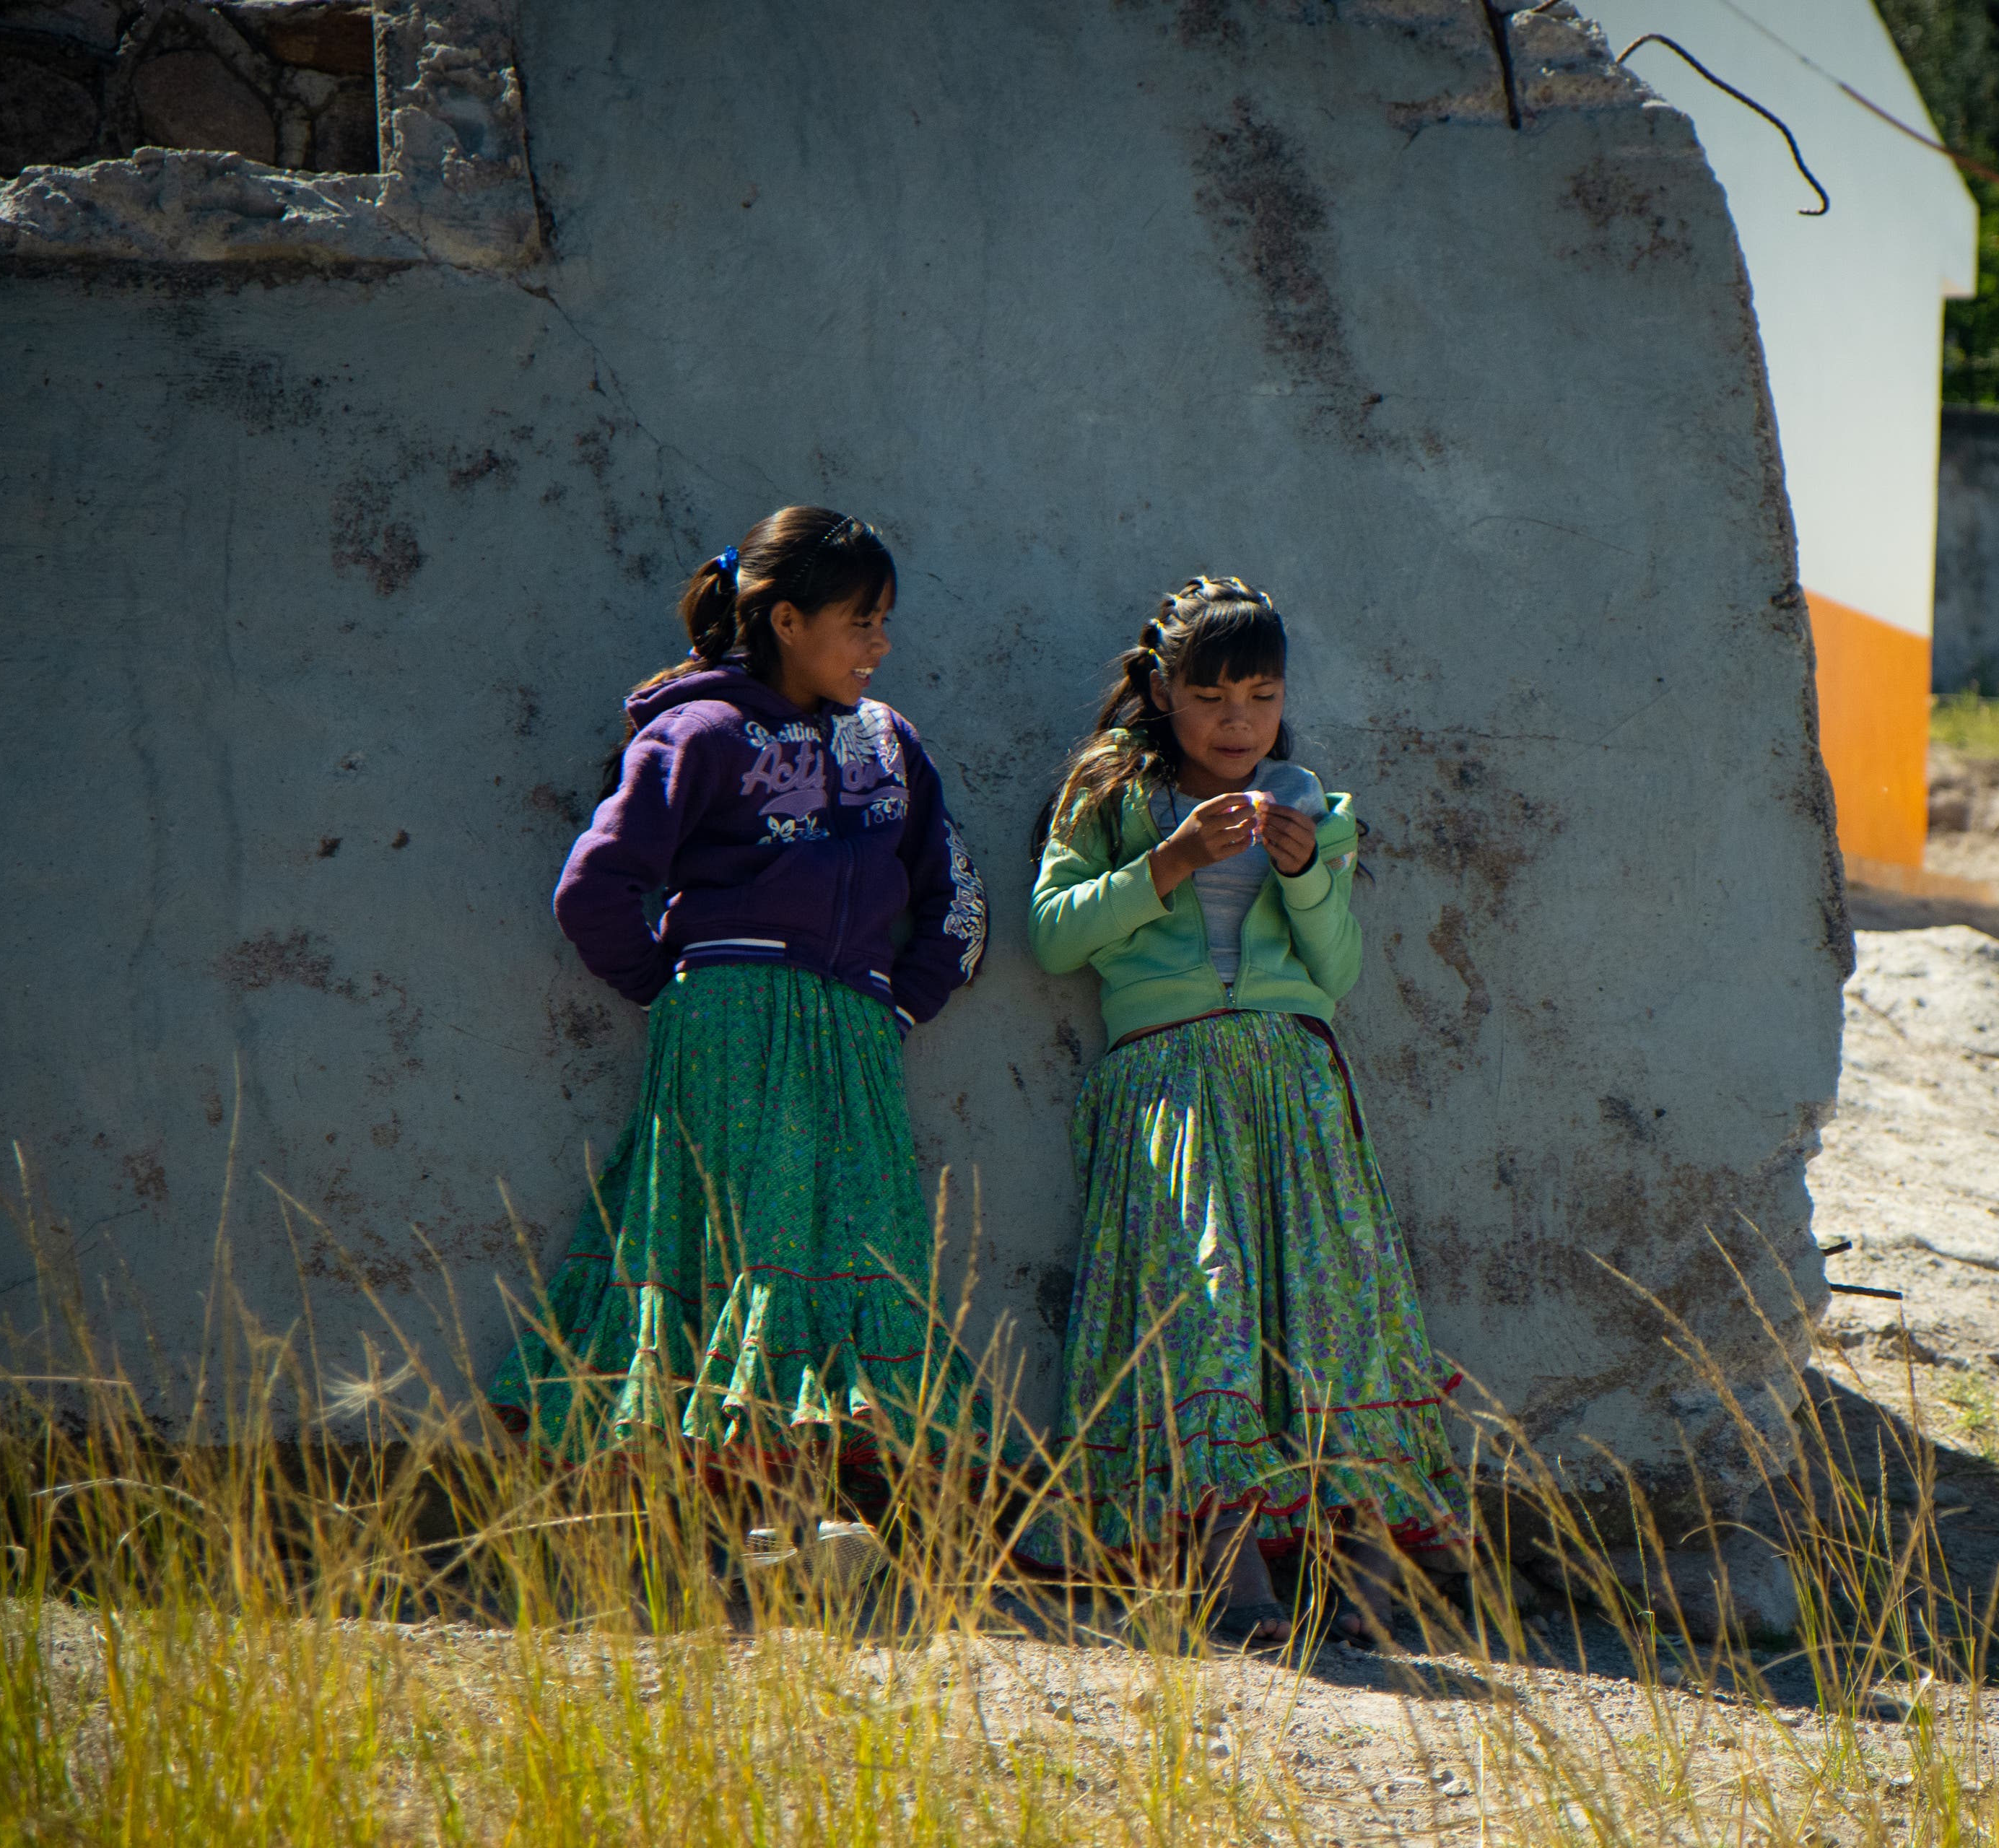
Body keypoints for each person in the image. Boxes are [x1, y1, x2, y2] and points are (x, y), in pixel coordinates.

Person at [489, 506, 996, 1502]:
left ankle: (825, 1510)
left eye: (886, 621)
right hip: (727, 1028)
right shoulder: (700, 731)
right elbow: (592, 889)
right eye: (861, 622)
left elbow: (957, 899)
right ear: (785, 620)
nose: (880, 646)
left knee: (858, 1257)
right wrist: (679, 997)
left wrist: (898, 1008)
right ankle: (715, 1522)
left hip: (855, 1033)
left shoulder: (888, 746)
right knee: (739, 1257)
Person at [1029, 575, 1470, 1647]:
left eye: (1261, 698)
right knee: (1205, 1320)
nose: (1239, 724)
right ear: (1163, 693)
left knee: (1333, 1323)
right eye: (1213, 697)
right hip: (1171, 1092)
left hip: (1295, 1091)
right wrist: (1170, 861)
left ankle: (1363, 1565)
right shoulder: (1111, 799)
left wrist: (1309, 873)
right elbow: (1053, 936)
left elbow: (1339, 967)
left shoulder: (1307, 800)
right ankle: (1235, 1576)